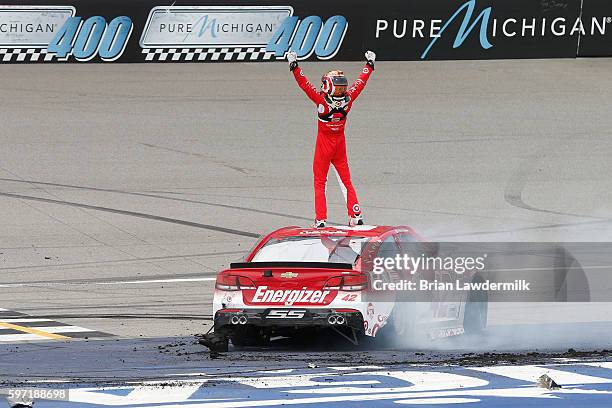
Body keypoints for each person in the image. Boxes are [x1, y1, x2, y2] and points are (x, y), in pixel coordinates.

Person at [288, 50, 376, 228]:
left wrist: (294, 66)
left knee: (320, 182)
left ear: (328, 86)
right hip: (340, 145)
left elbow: (305, 85)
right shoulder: (349, 100)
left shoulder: (322, 102)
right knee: (346, 181)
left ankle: (321, 219)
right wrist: (369, 66)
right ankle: (356, 215)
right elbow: (360, 83)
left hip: (323, 145)